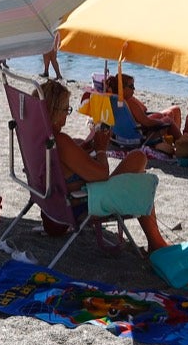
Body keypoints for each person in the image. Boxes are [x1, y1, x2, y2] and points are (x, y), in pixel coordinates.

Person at [40, 79, 167, 250]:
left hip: (50, 209)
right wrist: (101, 149)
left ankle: (156, 241)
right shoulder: (61, 142)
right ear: (53, 111)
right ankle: (156, 244)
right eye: (65, 110)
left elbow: (64, 167)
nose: (66, 114)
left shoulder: (40, 137)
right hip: (76, 207)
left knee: (81, 143)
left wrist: (83, 148)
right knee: (138, 159)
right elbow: (102, 175)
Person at [107, 73, 182, 141]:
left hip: (122, 135)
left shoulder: (114, 100)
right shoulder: (129, 102)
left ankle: (177, 141)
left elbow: (143, 110)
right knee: (168, 120)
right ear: (122, 88)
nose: (134, 89)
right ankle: (181, 141)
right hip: (140, 135)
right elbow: (147, 122)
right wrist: (161, 122)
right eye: (131, 86)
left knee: (163, 116)